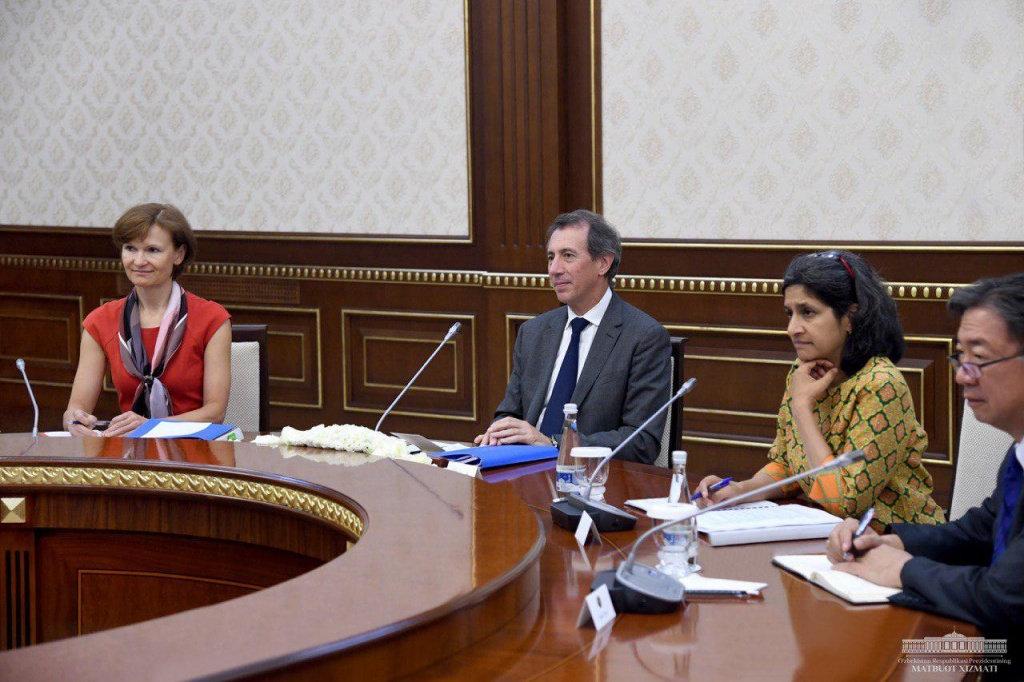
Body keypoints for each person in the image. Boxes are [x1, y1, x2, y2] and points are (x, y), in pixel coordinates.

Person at [827, 273, 1024, 674]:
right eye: (960, 358)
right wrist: (888, 541)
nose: (961, 375)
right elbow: (978, 532)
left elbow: (1003, 599)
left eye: (979, 359)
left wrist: (901, 570)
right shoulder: (1018, 451)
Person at [695, 250, 944, 528]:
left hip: (895, 539)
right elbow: (787, 465)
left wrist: (802, 408)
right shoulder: (804, 372)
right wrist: (741, 490)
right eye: (790, 314)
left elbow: (845, 502)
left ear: (850, 316)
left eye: (808, 313)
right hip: (828, 534)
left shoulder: (882, 384)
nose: (792, 328)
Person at [474, 209, 671, 464]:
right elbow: (510, 412)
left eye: (567, 256)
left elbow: (641, 441)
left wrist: (554, 445)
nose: (554, 269)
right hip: (522, 470)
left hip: (592, 477)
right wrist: (499, 433)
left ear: (603, 263)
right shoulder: (533, 332)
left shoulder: (643, 337)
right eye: (551, 257)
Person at [64, 204, 232, 437]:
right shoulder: (100, 322)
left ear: (179, 254)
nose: (139, 261)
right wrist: (75, 421)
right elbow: (75, 409)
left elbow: (215, 413)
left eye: (152, 250)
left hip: (195, 449)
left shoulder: (212, 319)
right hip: (130, 450)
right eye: (130, 248)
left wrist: (151, 427)